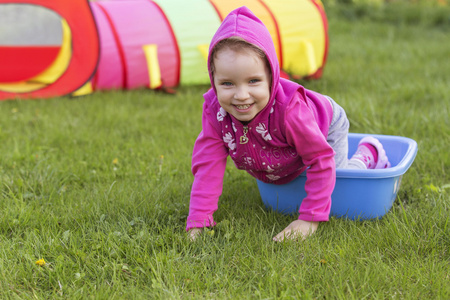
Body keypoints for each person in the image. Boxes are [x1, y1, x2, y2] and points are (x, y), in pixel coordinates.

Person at [186, 6, 390, 241]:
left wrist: (309, 220)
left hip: (325, 123)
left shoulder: (290, 111)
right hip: (284, 138)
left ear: (272, 76)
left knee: (339, 184)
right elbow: (208, 163)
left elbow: (320, 159)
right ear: (213, 79)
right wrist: (199, 221)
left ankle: (368, 154)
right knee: (292, 181)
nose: (241, 95)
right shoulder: (216, 111)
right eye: (227, 84)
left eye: (253, 81)